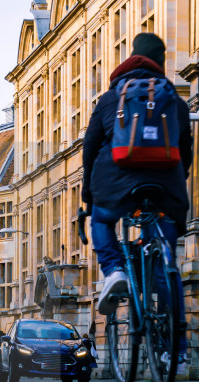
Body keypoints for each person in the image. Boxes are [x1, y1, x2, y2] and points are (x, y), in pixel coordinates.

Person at [81, 30, 192, 351]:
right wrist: (176, 182)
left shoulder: (112, 97)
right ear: (160, 62)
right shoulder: (172, 96)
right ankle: (176, 346)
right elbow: (186, 146)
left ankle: (115, 270)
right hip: (165, 183)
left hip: (115, 180)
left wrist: (89, 196)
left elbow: (90, 148)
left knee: (100, 221)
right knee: (167, 264)